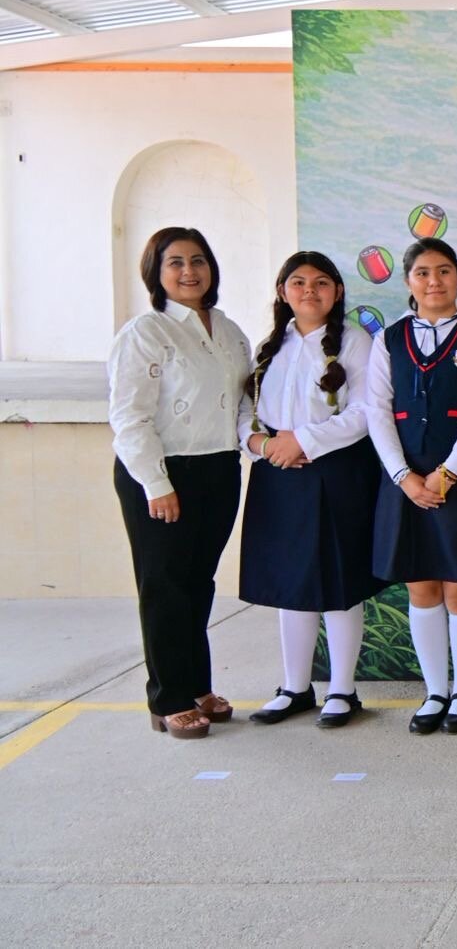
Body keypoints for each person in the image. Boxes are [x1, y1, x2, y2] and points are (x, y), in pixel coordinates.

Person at [109, 226, 253, 740]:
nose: (189, 271)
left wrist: (255, 441)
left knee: (198, 584)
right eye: (176, 262)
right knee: (164, 586)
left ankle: (197, 686)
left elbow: (244, 400)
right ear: (157, 271)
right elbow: (129, 418)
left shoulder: (230, 330)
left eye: (198, 260)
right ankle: (168, 698)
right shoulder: (146, 332)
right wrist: (155, 483)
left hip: (218, 469)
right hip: (164, 472)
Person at [368, 238, 457, 736]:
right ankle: (434, 691)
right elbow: (377, 413)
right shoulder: (388, 339)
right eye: (424, 272)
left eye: (444, 271)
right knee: (422, 587)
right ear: (409, 281)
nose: (435, 280)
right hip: (405, 482)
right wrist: (404, 478)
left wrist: (447, 472)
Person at [238, 252, 381, 729]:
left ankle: (343, 690)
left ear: (337, 292)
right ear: (283, 291)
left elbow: (364, 414)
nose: (309, 291)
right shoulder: (268, 348)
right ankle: (295, 687)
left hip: (336, 472)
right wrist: (260, 443)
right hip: (277, 471)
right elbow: (244, 412)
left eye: (321, 283)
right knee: (290, 584)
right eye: (297, 283)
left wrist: (304, 441)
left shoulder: (357, 343)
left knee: (339, 583)